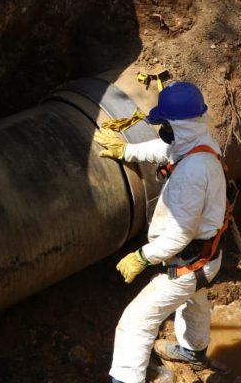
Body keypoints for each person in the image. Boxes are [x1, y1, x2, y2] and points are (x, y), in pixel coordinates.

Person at [93, 81, 228, 383]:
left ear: (175, 124)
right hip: (208, 257)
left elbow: (179, 236)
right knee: (195, 303)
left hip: (187, 263)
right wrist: (127, 150)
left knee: (135, 323)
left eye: (164, 123)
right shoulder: (201, 143)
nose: (161, 129)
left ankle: (126, 380)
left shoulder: (192, 174)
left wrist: (142, 257)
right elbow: (167, 150)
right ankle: (194, 352)